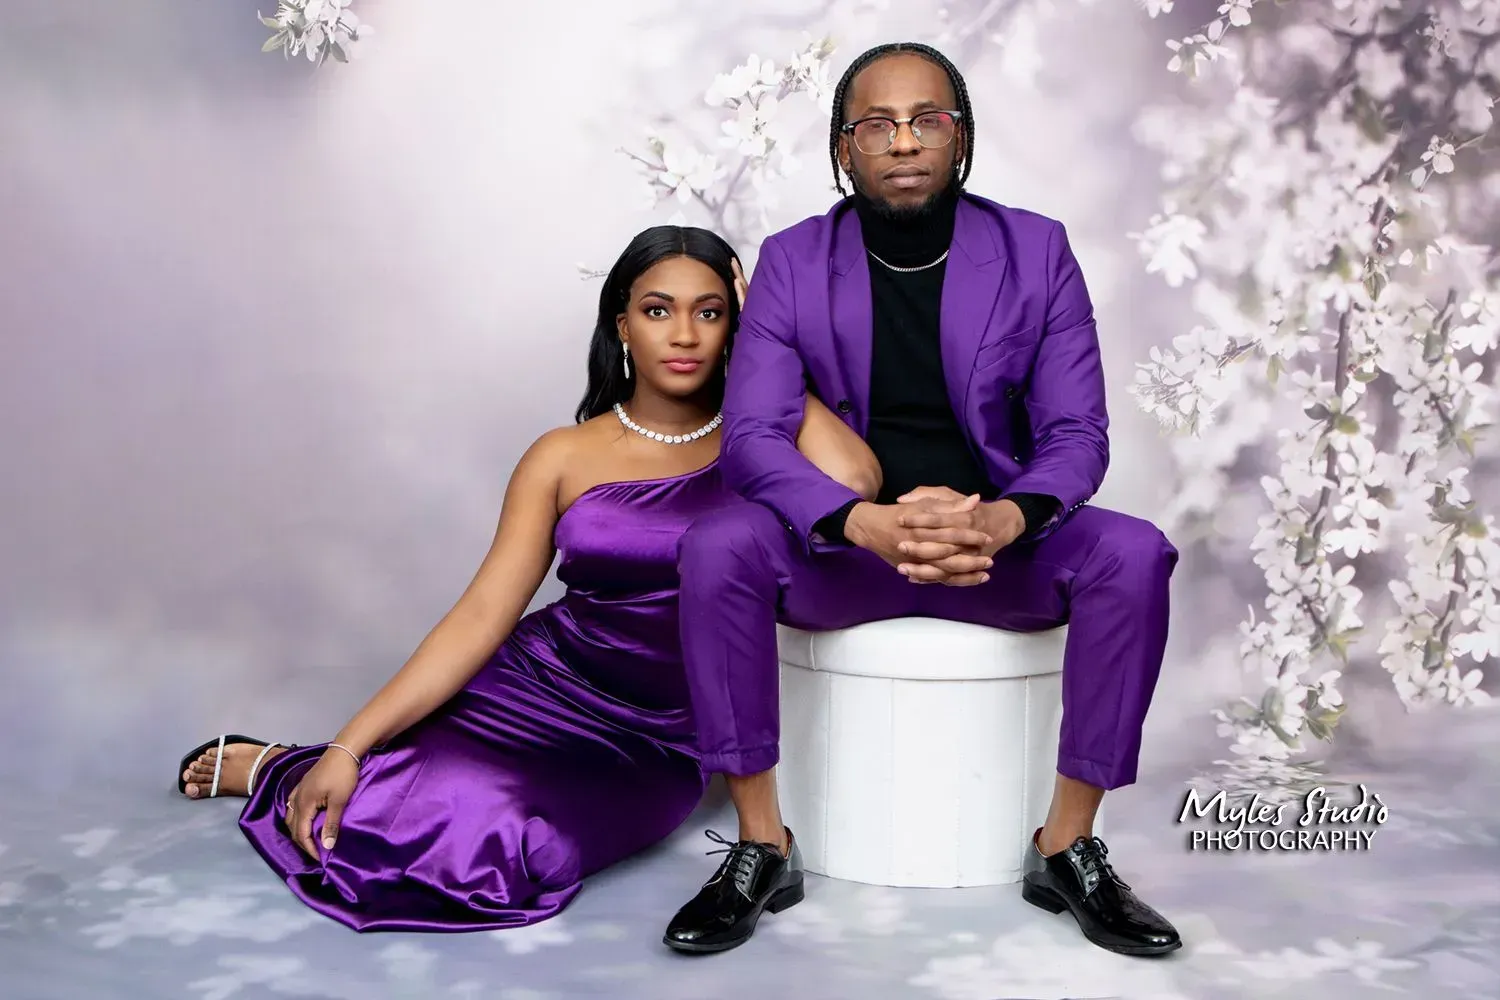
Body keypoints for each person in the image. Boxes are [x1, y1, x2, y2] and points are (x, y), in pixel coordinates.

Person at [173, 225, 880, 932]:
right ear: (622, 326)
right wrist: (347, 744)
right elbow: (482, 614)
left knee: (514, 844)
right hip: (535, 686)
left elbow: (855, 480)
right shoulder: (561, 455)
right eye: (658, 310)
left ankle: (300, 769)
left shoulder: (762, 442)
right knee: (397, 788)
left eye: (712, 311)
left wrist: (766, 349)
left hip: (658, 737)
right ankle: (288, 768)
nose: (685, 333)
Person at [662, 43, 1182, 957]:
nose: (904, 141)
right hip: (845, 554)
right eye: (877, 124)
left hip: (994, 552)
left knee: (1132, 552)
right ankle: (759, 843)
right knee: (717, 546)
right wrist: (859, 520)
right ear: (844, 149)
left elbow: (1077, 436)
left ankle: (1066, 844)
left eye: (927, 120)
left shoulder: (1037, 250)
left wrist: (1002, 517)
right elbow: (750, 439)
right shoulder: (790, 261)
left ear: (961, 138)